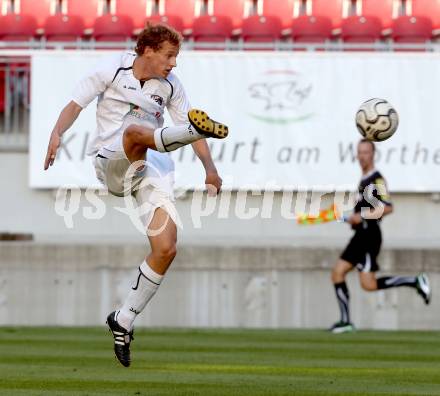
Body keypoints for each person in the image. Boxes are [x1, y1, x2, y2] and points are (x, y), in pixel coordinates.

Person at [43, 23, 228, 366]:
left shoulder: (171, 86)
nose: (174, 64)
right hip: (112, 160)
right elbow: (75, 105)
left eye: (176, 57)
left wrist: (210, 169)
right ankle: (185, 133)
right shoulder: (111, 69)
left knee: (167, 247)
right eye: (169, 56)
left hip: (152, 168)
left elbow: (196, 128)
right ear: (148, 50)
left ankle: (124, 317)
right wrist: (56, 133)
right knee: (135, 132)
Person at [330, 139, 431, 334]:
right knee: (344, 276)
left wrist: (362, 216)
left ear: (373, 154)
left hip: (369, 236)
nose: (361, 156)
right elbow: (362, 212)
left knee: (357, 280)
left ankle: (415, 281)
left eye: (365, 152)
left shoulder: (377, 179)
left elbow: (388, 207)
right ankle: (345, 321)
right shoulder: (364, 179)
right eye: (359, 152)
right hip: (361, 234)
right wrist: (350, 218)